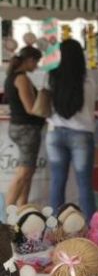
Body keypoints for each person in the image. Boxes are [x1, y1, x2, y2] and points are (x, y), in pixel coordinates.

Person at [46, 39, 98, 220]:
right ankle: (90, 228)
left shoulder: (51, 75)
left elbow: (46, 100)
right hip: (82, 134)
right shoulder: (92, 75)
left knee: (57, 182)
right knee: (85, 183)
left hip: (55, 132)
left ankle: (55, 227)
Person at [3, 46, 44, 206]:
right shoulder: (22, 78)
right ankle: (5, 214)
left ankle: (22, 207)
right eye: (36, 62)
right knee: (24, 172)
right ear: (29, 60)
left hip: (20, 127)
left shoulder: (13, 76)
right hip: (26, 128)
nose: (37, 66)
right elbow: (30, 108)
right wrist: (46, 107)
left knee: (28, 172)